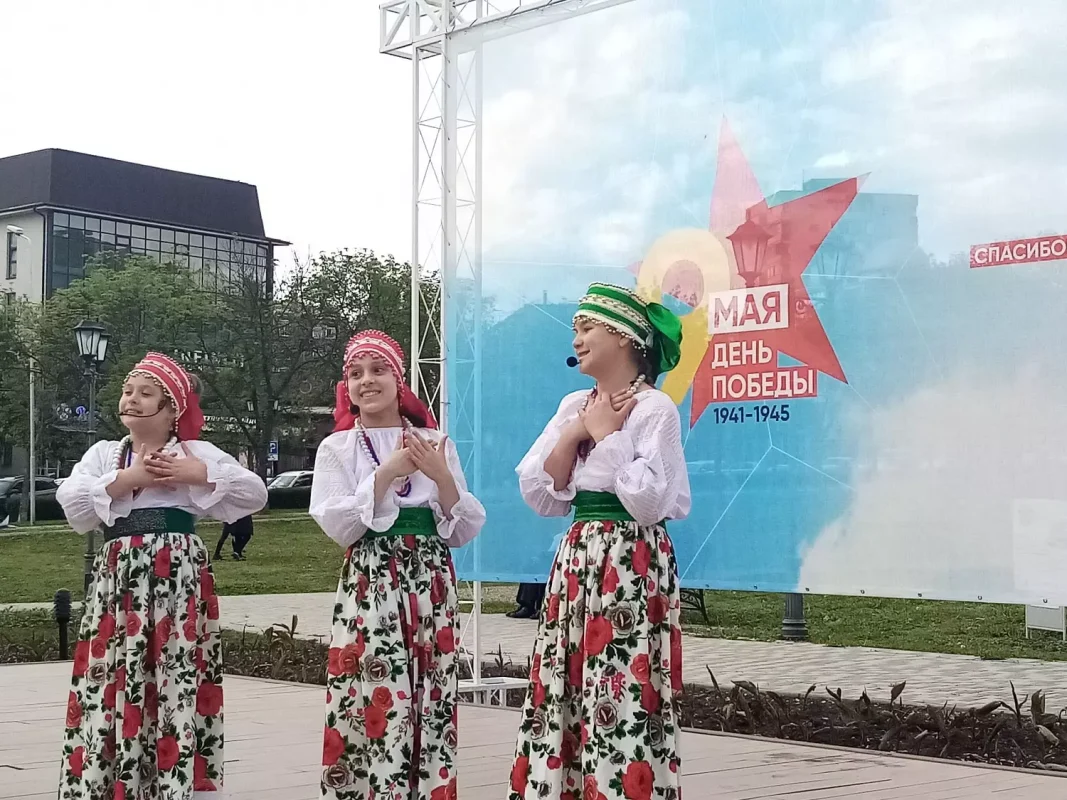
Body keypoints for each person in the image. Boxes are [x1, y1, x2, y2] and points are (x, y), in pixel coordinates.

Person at [55, 352, 268, 799]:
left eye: (145, 393)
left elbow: (254, 493)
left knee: (174, 670)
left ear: (173, 409)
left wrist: (199, 473)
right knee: (116, 670)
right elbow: (73, 504)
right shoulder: (105, 454)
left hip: (177, 578)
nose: (131, 399)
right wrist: (127, 478)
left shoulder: (195, 452)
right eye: (128, 391)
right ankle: (113, 777)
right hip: (120, 579)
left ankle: (171, 781)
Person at [507, 283, 691, 800]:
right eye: (576, 329)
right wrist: (576, 432)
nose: (577, 339)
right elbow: (542, 493)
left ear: (625, 337)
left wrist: (609, 435)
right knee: (565, 679)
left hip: (631, 559)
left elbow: (649, 503)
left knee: (622, 681)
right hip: (579, 557)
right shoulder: (574, 404)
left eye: (587, 328)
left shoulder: (655, 409)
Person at [310, 330, 486, 800]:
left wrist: (441, 475)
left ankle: (427, 789)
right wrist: (386, 472)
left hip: (429, 577)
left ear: (399, 379)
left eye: (378, 370)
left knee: (432, 687)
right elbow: (339, 525)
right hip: (372, 578)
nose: (367, 380)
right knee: (373, 683)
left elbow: (461, 528)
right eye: (356, 373)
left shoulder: (435, 441)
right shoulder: (338, 448)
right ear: (347, 387)